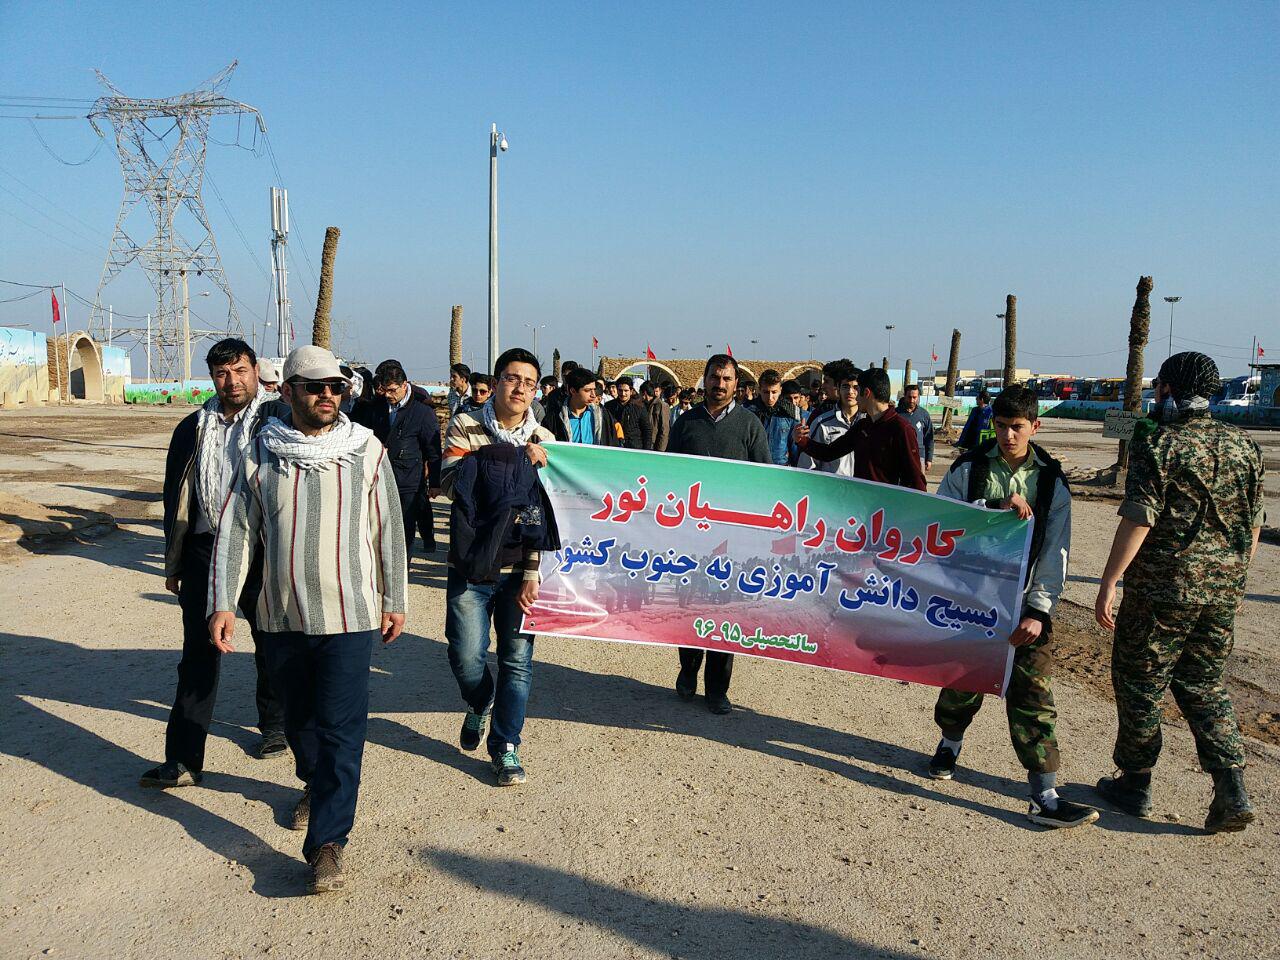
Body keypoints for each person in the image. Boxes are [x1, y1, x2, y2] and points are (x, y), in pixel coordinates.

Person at [207, 345, 407, 893]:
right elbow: (237, 531)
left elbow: (389, 528)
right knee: (299, 723)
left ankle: (327, 842)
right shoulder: (261, 452)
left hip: (351, 614)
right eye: (315, 386)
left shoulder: (366, 449)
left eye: (335, 387)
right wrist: (223, 602)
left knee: (342, 728)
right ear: (288, 390)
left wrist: (395, 598)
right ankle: (314, 784)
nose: (327, 395)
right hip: (281, 614)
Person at [1094, 352, 1265, 833]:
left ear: (1168, 389)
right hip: (1221, 593)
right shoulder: (1245, 446)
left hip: (1162, 591)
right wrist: (1232, 579)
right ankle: (1231, 789)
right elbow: (1253, 524)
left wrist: (1109, 581)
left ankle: (1135, 782)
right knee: (1204, 683)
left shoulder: (1160, 444)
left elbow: (1140, 518)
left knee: (1140, 681)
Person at [924, 386, 1097, 829]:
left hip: (1024, 608)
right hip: (971, 603)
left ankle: (1045, 794)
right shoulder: (969, 469)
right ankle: (950, 742)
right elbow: (941, 520)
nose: (1008, 435)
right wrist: (992, 510)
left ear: (1035, 426)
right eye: (1001, 426)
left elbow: (1055, 551)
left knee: (1033, 695)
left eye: (1017, 427)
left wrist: (1039, 611)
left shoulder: (1052, 481)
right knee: (962, 683)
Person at [140, 338, 288, 792]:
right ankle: (183, 760)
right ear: (212, 377)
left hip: (263, 550)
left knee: (273, 642)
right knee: (198, 654)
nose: (232, 381)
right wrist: (175, 561)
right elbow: (175, 498)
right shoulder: (191, 428)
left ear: (256, 370)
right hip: (205, 550)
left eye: (240, 371)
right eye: (222, 374)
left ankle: (275, 726)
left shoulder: (278, 420)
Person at [441, 348, 558, 786]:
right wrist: (515, 462)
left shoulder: (545, 439)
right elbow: (452, 483)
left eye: (529, 383)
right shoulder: (464, 423)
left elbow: (542, 513)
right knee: (466, 656)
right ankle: (479, 701)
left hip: (519, 569)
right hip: (472, 563)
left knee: (517, 661)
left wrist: (532, 571)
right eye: (512, 379)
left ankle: (506, 745)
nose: (520, 389)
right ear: (495, 382)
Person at [667, 353, 770, 714]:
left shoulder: (750, 425)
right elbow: (669, 472)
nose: (720, 384)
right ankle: (688, 669)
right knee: (690, 605)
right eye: (714, 377)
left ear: (736, 384)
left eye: (727, 379)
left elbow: (765, 478)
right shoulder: (685, 422)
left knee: (725, 613)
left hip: (733, 538)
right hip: (692, 536)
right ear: (705, 379)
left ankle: (717, 689)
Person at [794, 367, 926, 490]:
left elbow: (915, 479)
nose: (855, 396)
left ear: (866, 393)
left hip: (886, 504)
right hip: (859, 501)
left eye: (858, 390)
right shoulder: (863, 426)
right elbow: (830, 452)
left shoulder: (902, 429)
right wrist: (802, 441)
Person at [368, 362, 443, 560]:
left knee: (405, 529)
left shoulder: (422, 412)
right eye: (385, 390)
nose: (388, 395)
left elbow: (433, 451)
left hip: (409, 480)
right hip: (380, 476)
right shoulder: (377, 406)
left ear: (404, 386)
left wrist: (435, 483)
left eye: (392, 390)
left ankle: (403, 567)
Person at [797, 364, 860, 477]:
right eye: (845, 386)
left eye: (856, 387)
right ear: (838, 388)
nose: (850, 392)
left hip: (864, 487)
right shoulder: (822, 422)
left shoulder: (870, 423)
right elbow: (807, 465)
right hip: (831, 486)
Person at [542, 366, 623, 445]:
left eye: (594, 390)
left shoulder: (604, 416)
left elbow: (613, 445)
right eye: (587, 390)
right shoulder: (554, 419)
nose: (593, 395)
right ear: (573, 391)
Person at [746, 369, 800, 467]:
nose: (770, 397)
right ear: (759, 390)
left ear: (780, 390)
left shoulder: (790, 412)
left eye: (774, 392)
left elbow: (794, 448)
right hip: (754, 467)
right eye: (766, 392)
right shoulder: (747, 411)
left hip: (780, 469)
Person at [605, 378, 654, 450]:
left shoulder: (639, 407)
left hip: (634, 448)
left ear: (631, 391)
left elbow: (647, 430)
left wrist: (646, 450)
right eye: (620, 390)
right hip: (614, 447)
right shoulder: (609, 406)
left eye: (626, 391)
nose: (623, 394)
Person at [899, 382, 935, 474]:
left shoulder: (924, 414)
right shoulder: (896, 414)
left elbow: (929, 438)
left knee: (919, 482)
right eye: (909, 397)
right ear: (904, 396)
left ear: (918, 397)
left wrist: (929, 459)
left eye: (914, 397)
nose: (912, 400)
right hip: (899, 457)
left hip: (919, 457)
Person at [640, 380, 671, 452]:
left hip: (654, 444)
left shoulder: (662, 405)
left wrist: (660, 450)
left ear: (644, 393)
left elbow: (664, 430)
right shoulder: (642, 405)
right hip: (643, 443)